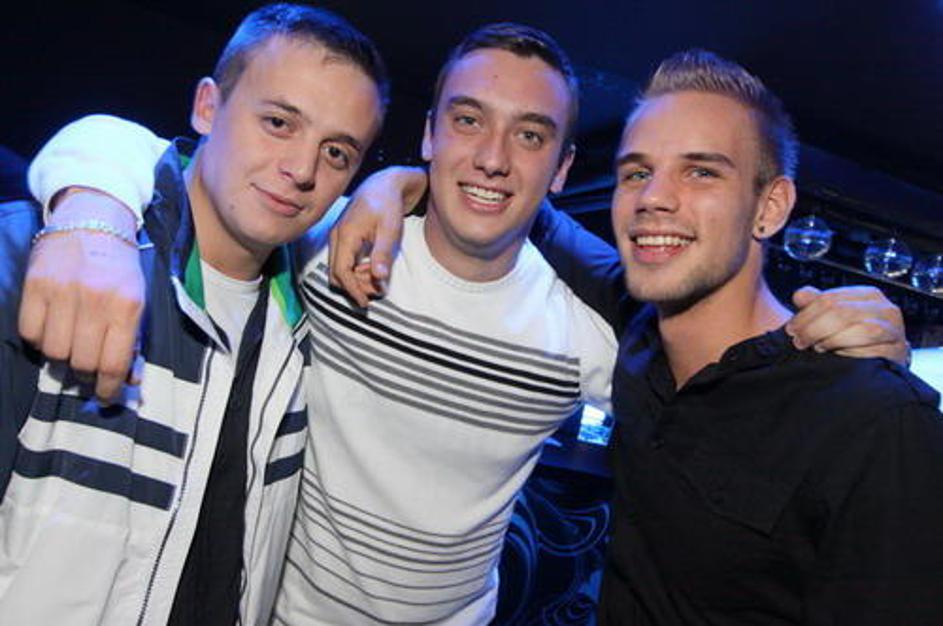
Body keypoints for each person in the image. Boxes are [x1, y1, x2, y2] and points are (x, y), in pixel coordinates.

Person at [20, 26, 910, 626]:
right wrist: (90, 212)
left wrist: (854, 346)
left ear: (561, 168)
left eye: (529, 136)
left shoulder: (593, 332)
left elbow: (718, 381)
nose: (490, 157)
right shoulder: (325, 242)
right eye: (468, 121)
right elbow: (166, 160)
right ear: (429, 137)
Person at [0, 4, 387, 625]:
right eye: (278, 122)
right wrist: (90, 200)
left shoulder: (322, 310)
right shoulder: (52, 257)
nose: (302, 170)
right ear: (208, 107)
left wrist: (397, 184)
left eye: (337, 153)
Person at [536, 49, 943, 624]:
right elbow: (545, 222)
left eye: (701, 171)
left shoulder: (874, 420)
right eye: (637, 173)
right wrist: (412, 183)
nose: (653, 197)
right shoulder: (640, 332)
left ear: (769, 208)